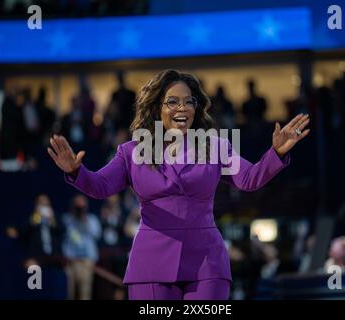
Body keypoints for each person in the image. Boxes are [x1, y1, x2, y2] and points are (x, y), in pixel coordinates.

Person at [47, 69, 310, 300]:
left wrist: (276, 153)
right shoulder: (131, 151)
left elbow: (249, 179)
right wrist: (75, 171)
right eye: (172, 102)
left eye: (188, 102)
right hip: (151, 264)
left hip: (206, 263)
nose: (181, 108)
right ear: (157, 109)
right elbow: (100, 186)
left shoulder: (216, 146)